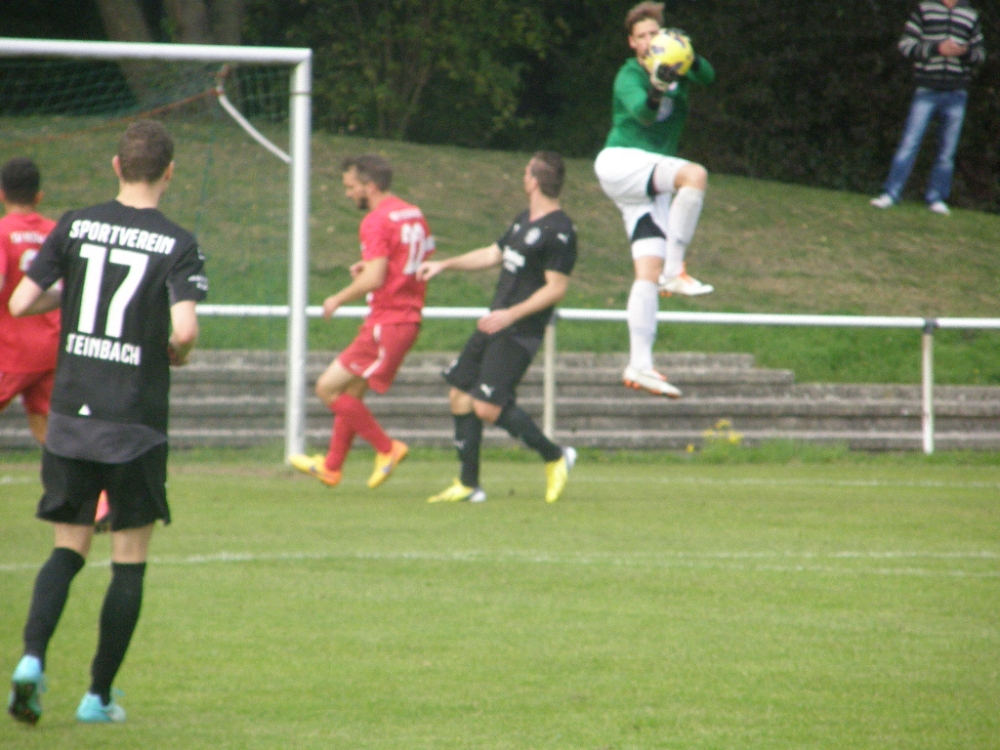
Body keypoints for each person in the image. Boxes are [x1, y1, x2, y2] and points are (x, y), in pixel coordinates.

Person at [6, 119, 206, 726]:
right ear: (169, 172)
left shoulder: (74, 224)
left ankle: (31, 660)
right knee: (128, 560)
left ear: (116, 167)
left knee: (66, 549)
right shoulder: (178, 242)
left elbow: (20, 302)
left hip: (71, 416)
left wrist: (73, 302)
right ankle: (96, 697)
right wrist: (177, 351)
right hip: (132, 422)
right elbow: (185, 329)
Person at [418, 152, 577, 504]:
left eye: (526, 172)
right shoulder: (524, 220)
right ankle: (468, 484)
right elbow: (492, 254)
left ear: (534, 180)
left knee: (487, 407)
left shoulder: (560, 231)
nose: (523, 177)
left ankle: (556, 455)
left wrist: (511, 315)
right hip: (495, 322)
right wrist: (445, 265)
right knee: (460, 394)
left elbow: (556, 288)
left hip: (520, 329)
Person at [594, 1, 715, 399]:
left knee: (647, 270)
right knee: (694, 175)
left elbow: (709, 76)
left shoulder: (677, 67)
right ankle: (676, 271)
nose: (648, 42)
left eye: (654, 34)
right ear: (632, 43)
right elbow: (644, 115)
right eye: (641, 37)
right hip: (621, 163)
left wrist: (687, 54)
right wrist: (657, 87)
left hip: (647, 186)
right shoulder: (629, 74)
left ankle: (640, 365)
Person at [289, 154, 430, 489]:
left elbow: (376, 278)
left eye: (351, 186)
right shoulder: (412, 213)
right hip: (405, 319)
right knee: (352, 393)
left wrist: (337, 298)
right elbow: (411, 261)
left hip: (388, 321)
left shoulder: (375, 220)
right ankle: (332, 468)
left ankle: (387, 448)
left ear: (370, 186)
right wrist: (368, 265)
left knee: (327, 388)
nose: (348, 193)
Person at [870, 0, 985, 215]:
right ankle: (891, 193)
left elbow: (980, 54)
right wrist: (936, 49)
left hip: (957, 91)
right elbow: (906, 45)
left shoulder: (970, 15)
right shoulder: (925, 10)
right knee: (910, 143)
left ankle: (936, 197)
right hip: (927, 88)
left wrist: (963, 53)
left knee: (947, 151)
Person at [0, 157, 59, 445]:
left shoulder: (2, 232)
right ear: (39, 196)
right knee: (46, 428)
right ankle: (85, 478)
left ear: (2, 194)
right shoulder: (56, 232)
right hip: (51, 349)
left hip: (11, 349)